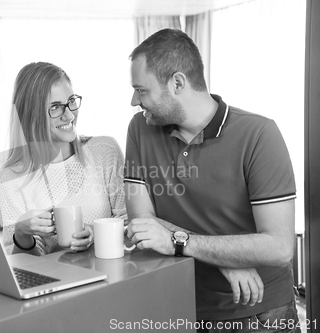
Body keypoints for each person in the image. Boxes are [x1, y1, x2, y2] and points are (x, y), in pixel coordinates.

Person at [124, 28, 299, 332]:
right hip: (181, 306)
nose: (133, 101)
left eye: (141, 90)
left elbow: (279, 246)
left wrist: (181, 241)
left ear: (177, 83)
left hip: (261, 313)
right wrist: (224, 261)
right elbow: (142, 222)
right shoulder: (140, 129)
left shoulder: (259, 135)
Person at [0, 62, 126, 256]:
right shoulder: (11, 176)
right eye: (56, 107)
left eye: (71, 101)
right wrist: (22, 234)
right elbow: (21, 265)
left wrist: (96, 233)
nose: (69, 115)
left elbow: (130, 222)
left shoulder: (104, 151)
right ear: (31, 115)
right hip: (56, 282)